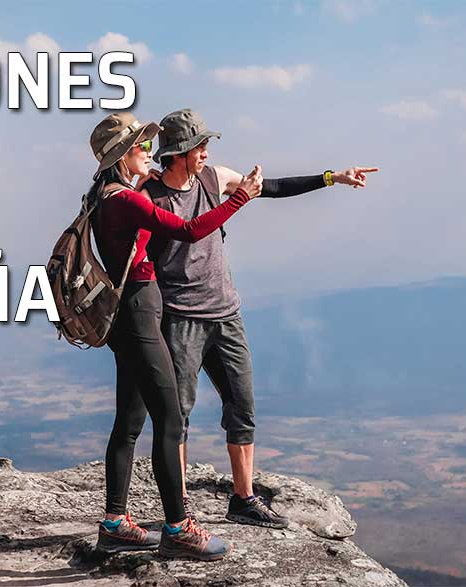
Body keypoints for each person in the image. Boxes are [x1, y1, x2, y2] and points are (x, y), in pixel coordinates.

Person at [141, 108, 378, 529]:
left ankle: (244, 498)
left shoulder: (214, 178)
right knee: (177, 416)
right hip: (180, 319)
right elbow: (179, 234)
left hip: (226, 313)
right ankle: (179, 509)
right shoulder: (151, 197)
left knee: (242, 406)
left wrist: (331, 177)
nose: (206, 152)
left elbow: (272, 188)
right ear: (177, 153)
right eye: (199, 146)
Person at [87, 112, 262, 560]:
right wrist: (240, 197)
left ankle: (113, 522)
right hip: (142, 314)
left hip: (125, 317)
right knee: (169, 419)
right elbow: (188, 230)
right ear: (124, 157)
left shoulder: (101, 195)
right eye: (142, 148)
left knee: (128, 423)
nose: (150, 152)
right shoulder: (126, 199)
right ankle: (178, 528)